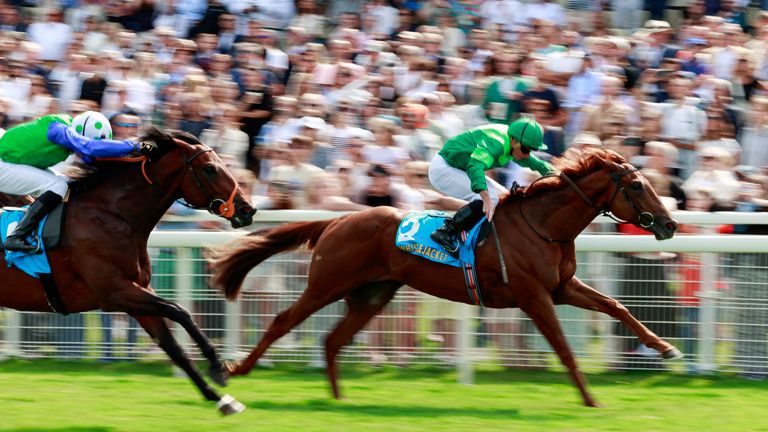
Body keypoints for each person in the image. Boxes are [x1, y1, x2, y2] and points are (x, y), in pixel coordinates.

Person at [0, 111, 145, 252]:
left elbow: (94, 158)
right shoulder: (58, 127)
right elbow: (89, 147)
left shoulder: (70, 136)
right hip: (3, 164)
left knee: (68, 184)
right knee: (58, 186)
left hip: (11, 163)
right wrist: (134, 146)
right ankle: (17, 236)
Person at [428, 117, 554, 255]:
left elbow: (535, 163)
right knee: (490, 198)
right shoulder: (496, 142)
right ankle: (446, 231)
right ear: (514, 141)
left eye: (531, 150)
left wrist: (561, 175)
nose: (527, 155)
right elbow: (475, 165)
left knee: (503, 196)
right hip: (443, 169)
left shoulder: (512, 141)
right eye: (525, 150)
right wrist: (485, 197)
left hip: (458, 168)